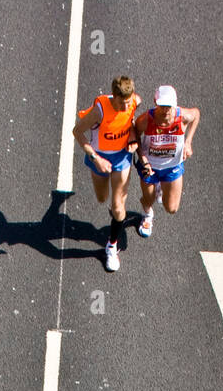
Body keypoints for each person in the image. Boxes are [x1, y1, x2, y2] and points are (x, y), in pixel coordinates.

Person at [73, 75, 141, 272]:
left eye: (129, 103)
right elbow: (77, 132)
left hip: (121, 157)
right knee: (102, 198)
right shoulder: (100, 111)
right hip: (100, 156)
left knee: (118, 205)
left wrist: (134, 137)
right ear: (114, 97)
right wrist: (97, 159)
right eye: (122, 103)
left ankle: (111, 246)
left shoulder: (134, 102)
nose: (126, 107)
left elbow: (132, 122)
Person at [132, 85, 199, 239]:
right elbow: (134, 133)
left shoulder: (182, 117)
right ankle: (147, 215)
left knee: (172, 208)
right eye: (162, 106)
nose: (165, 110)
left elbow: (196, 114)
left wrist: (188, 142)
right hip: (150, 166)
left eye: (169, 106)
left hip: (172, 167)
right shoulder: (146, 119)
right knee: (148, 199)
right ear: (156, 102)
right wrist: (142, 157)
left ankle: (161, 186)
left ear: (174, 105)